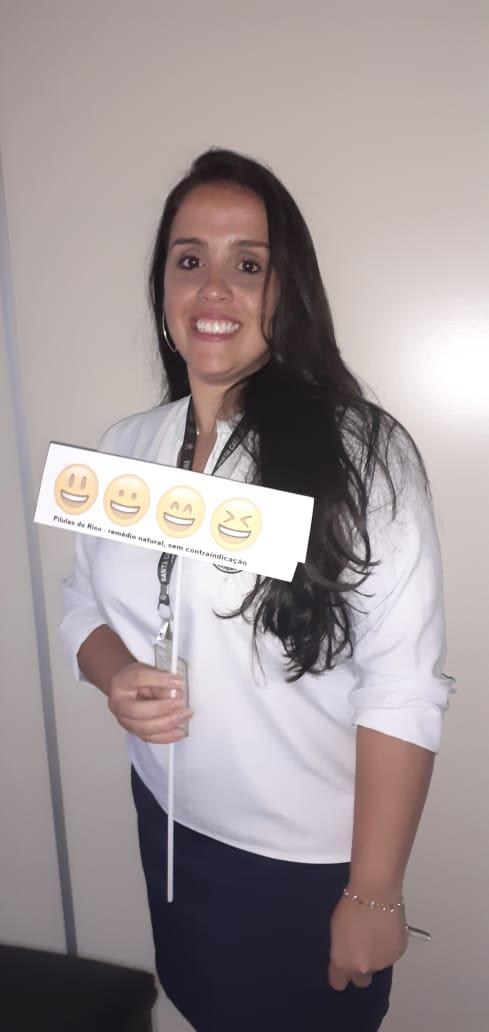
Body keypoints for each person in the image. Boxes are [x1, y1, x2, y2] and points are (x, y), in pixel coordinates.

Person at [61, 148, 453, 1032]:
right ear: (162, 287)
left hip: (303, 868)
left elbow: (402, 685)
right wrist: (115, 674)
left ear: (287, 293)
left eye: (248, 265)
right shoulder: (125, 447)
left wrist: (374, 893)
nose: (213, 289)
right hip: (168, 822)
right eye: (188, 260)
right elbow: (81, 600)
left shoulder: (362, 455)